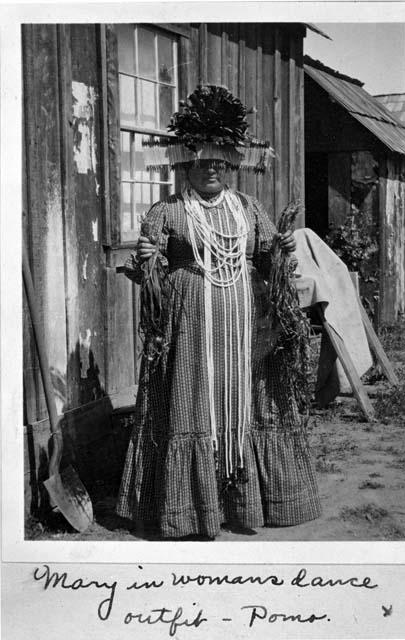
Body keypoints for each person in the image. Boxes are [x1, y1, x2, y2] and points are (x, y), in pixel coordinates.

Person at [116, 85, 321, 539]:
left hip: (244, 327)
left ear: (229, 164)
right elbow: (145, 273)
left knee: (246, 399)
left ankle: (244, 502)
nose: (210, 168)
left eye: (219, 161)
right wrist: (148, 258)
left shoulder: (248, 209)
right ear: (187, 164)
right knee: (192, 404)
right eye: (201, 161)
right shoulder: (166, 212)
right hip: (189, 329)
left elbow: (270, 261)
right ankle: (190, 511)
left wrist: (283, 249)